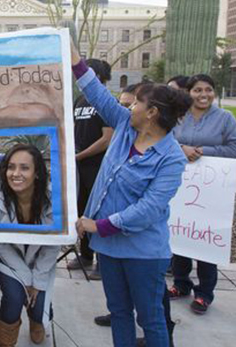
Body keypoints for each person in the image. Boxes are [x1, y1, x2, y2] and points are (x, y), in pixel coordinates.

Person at [71, 39, 193, 347]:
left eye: (136, 103)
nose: (129, 107)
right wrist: (74, 58)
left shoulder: (171, 157)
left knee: (150, 319)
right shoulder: (125, 125)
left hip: (144, 253)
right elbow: (97, 94)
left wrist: (98, 226)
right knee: (119, 312)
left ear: (151, 112)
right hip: (110, 249)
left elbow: (149, 209)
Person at [170, 74, 236, 314]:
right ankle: (181, 284)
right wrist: (182, 149)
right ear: (188, 93)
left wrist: (204, 151)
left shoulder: (225, 118)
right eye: (198, 90)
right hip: (182, 186)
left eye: (208, 90)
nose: (204, 95)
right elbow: (166, 142)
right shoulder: (179, 117)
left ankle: (204, 293)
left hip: (212, 190)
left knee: (205, 239)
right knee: (181, 233)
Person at [0, 143, 60, 347]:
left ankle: (36, 320)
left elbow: (53, 245)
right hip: (2, 254)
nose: (16, 173)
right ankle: (6, 341)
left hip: (39, 256)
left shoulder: (54, 199)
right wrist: (26, 279)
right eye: (11, 167)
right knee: (15, 294)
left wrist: (37, 280)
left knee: (39, 298)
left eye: (24, 167)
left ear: (36, 173)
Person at [69, 58, 114, 280]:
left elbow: (107, 139)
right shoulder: (79, 100)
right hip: (79, 167)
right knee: (82, 210)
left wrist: (80, 155)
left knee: (99, 212)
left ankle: (102, 264)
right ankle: (85, 256)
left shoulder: (105, 102)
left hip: (98, 166)